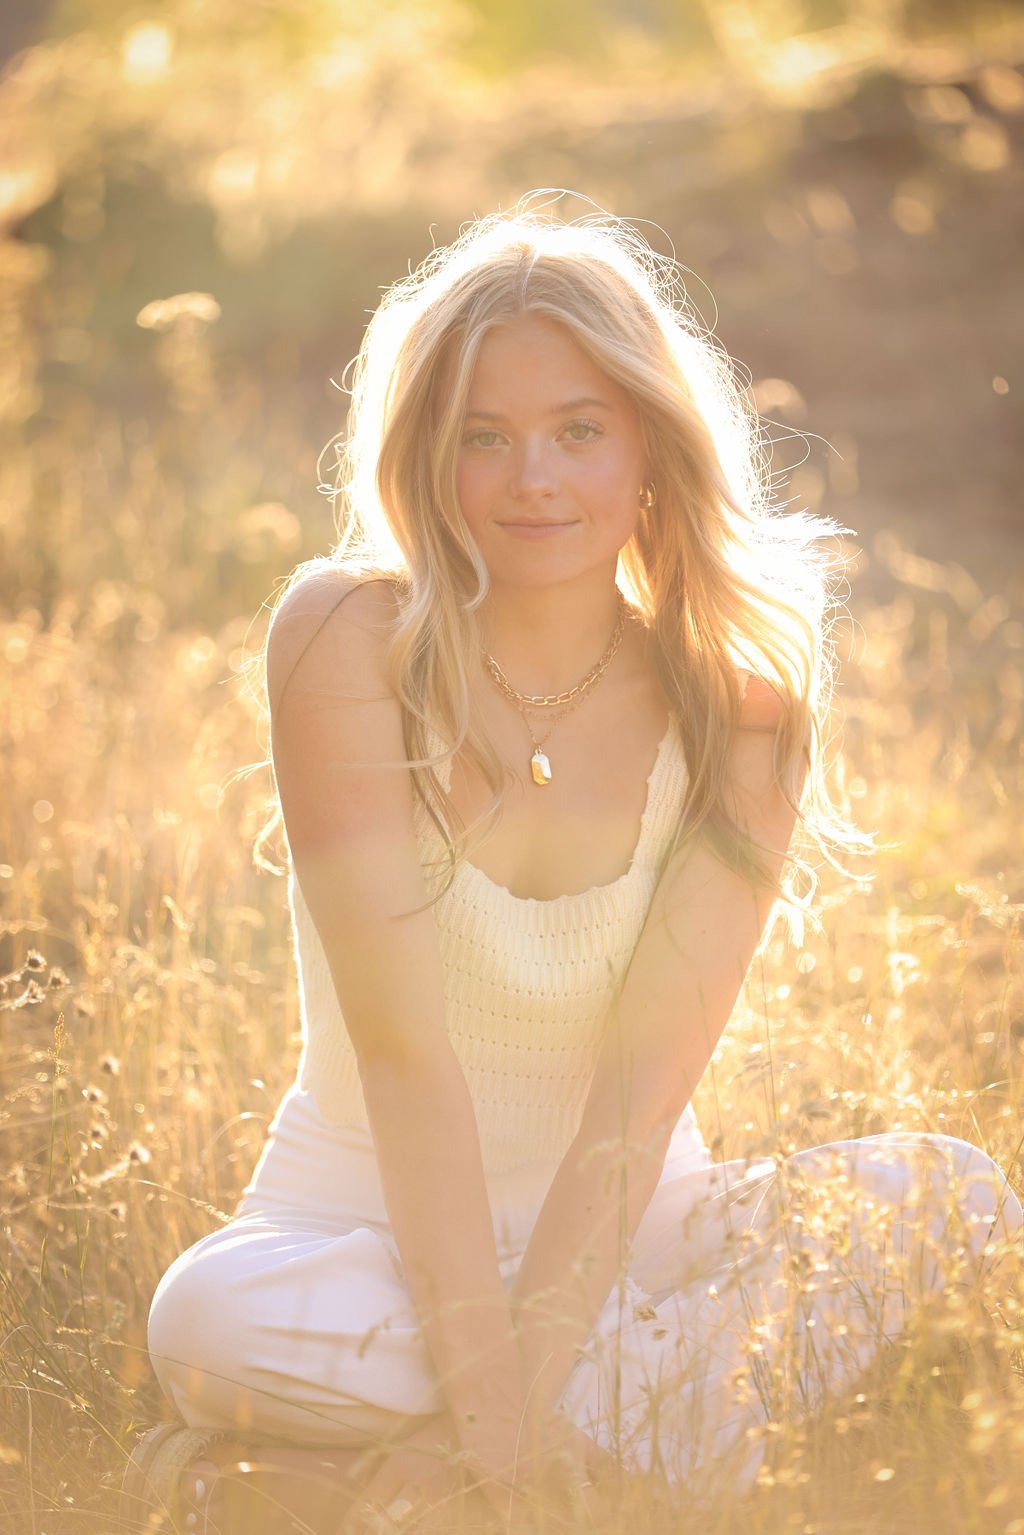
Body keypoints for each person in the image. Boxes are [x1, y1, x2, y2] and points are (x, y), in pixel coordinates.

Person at [127, 198, 1023, 1535]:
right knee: (206, 1317)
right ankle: (632, 1445)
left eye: (578, 431)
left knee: (954, 1197)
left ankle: (357, 1477)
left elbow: (635, 1096)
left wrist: (488, 1414)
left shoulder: (745, 706)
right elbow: (407, 1061)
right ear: (428, 459)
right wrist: (500, 1419)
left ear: (651, 449)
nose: (531, 479)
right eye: (483, 437)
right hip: (356, 1226)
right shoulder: (344, 638)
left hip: (630, 1235)